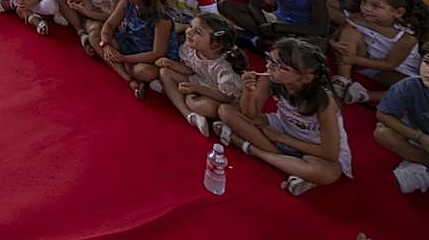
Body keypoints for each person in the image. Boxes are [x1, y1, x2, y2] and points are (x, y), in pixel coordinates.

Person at [215, 38, 352, 197]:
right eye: (270, 59)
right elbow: (250, 115)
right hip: (282, 127)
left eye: (279, 66)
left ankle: (252, 149)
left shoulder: (324, 101)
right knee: (226, 111)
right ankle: (292, 166)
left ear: (306, 78)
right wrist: (248, 91)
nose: (269, 66)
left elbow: (330, 153)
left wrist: (281, 138)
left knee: (328, 173)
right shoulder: (271, 77)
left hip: (314, 146)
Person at [331, 0, 428, 105]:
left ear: (398, 12)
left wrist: (353, 59)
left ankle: (365, 95)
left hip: (395, 72)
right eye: (364, 2)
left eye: (375, 6)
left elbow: (389, 64)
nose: (366, 8)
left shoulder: (407, 38)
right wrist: (335, 45)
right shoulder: (356, 18)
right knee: (350, 32)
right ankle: (344, 79)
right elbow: (333, 38)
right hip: (363, 62)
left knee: (413, 88)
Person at [156, 13, 246, 137]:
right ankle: (188, 114)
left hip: (219, 95)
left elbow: (226, 97)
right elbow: (191, 70)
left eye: (197, 32)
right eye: (190, 26)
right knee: (164, 72)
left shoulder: (224, 66)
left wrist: (196, 89)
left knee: (202, 105)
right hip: (200, 81)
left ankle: (177, 94)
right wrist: (171, 64)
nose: (189, 32)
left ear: (215, 45)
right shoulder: (191, 49)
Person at [98, 0, 179, 99]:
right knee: (96, 36)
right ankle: (129, 79)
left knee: (144, 72)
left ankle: (126, 68)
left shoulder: (161, 18)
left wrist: (124, 58)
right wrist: (105, 45)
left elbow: (157, 53)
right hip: (132, 43)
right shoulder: (126, 2)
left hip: (152, 57)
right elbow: (109, 25)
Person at [373, 52, 429, 194]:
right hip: (419, 137)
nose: (428, 70)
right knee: (383, 133)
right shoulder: (409, 85)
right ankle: (423, 163)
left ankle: (419, 170)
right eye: (427, 62)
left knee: (405, 181)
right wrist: (419, 137)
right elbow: (383, 114)